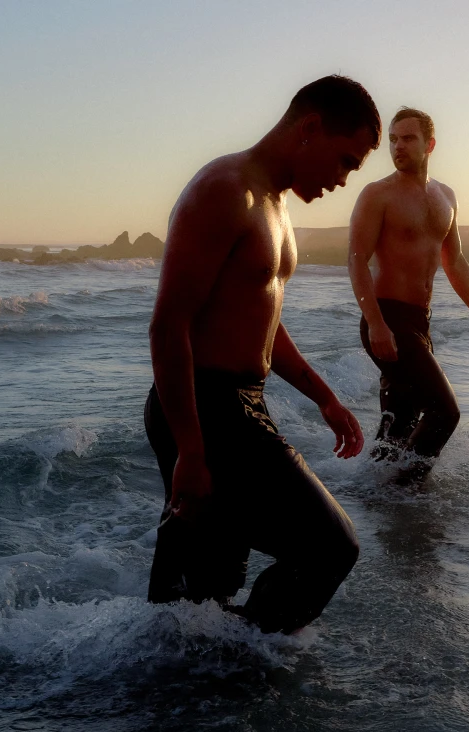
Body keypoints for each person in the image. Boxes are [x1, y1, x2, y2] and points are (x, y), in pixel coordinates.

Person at [144, 75, 380, 635]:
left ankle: (202, 682)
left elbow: (263, 320)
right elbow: (168, 324)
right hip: (208, 409)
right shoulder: (224, 191)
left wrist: (324, 397)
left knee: (206, 589)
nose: (342, 180)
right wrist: (192, 450)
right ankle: (246, 664)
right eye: (345, 161)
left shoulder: (274, 206)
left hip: (240, 405)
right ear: (309, 128)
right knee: (330, 547)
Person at [347, 107, 469, 477]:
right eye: (394, 140)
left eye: (408, 138)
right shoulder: (377, 194)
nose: (398, 146)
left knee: (398, 426)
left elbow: (455, 261)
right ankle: (408, 494)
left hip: (419, 322)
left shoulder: (445, 197)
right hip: (387, 318)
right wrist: (376, 324)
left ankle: (372, 500)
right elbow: (356, 261)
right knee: (444, 411)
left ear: (429, 144)